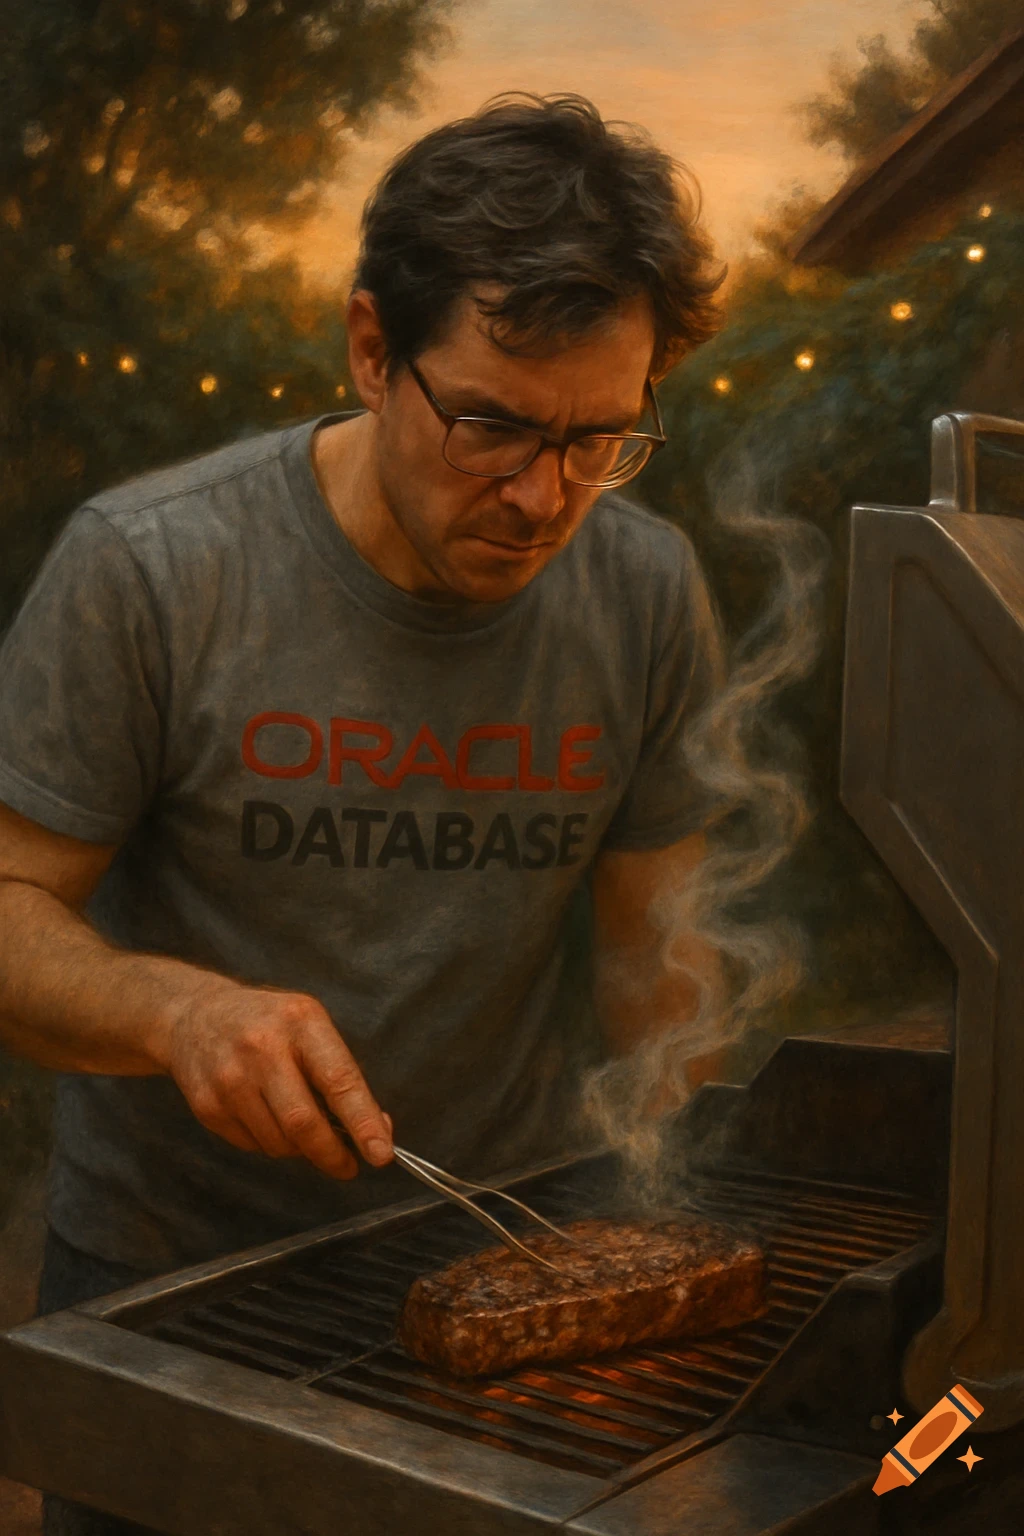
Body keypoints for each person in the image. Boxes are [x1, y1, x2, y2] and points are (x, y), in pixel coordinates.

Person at [0, 92, 725, 1535]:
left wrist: (677, 1219)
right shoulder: (152, 568)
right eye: (493, 426)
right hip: (169, 1289)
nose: (545, 497)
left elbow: (659, 957)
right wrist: (179, 1015)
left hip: (491, 1271)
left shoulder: (646, 595)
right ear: (371, 350)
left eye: (601, 439)